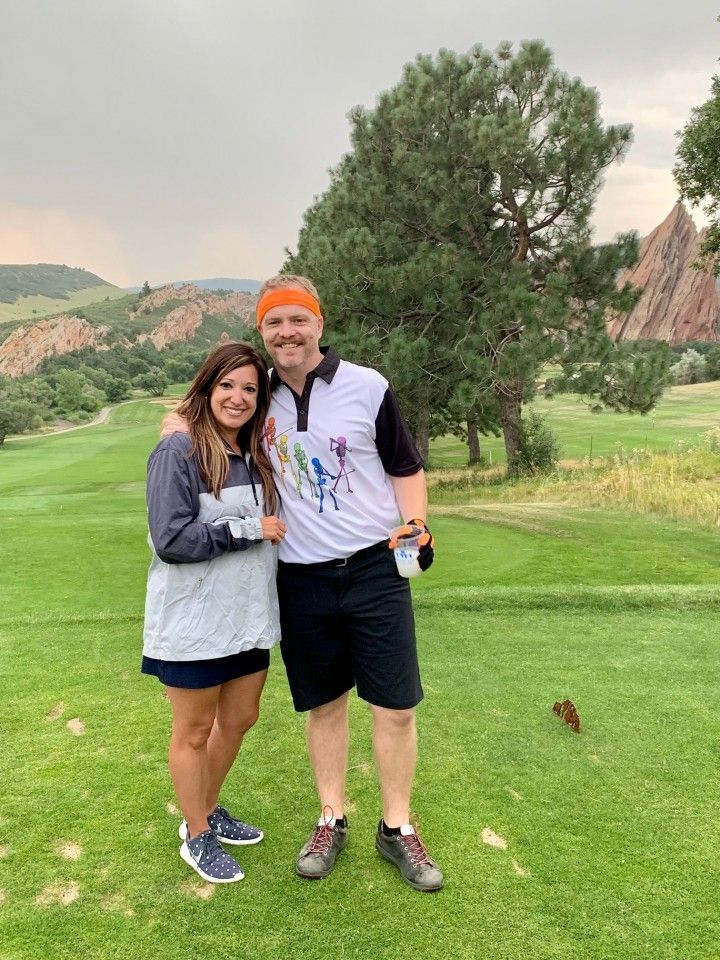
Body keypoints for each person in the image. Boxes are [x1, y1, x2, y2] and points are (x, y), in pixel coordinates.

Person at [163, 276, 443, 892]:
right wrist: (172, 426)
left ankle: (397, 827)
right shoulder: (258, 394)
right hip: (301, 577)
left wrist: (417, 522)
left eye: (298, 320)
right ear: (262, 331)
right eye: (274, 322)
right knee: (324, 705)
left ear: (319, 324)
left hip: (374, 570)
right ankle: (331, 817)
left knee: (396, 707)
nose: (287, 332)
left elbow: (406, 467)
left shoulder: (368, 386)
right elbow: (204, 411)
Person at [143, 342, 286, 884]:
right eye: (227, 385)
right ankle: (197, 833)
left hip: (248, 619)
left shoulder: (254, 452)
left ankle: (204, 807)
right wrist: (250, 529)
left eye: (250, 388)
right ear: (206, 388)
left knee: (241, 719)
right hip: (194, 623)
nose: (238, 397)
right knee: (195, 730)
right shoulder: (178, 451)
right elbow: (171, 540)